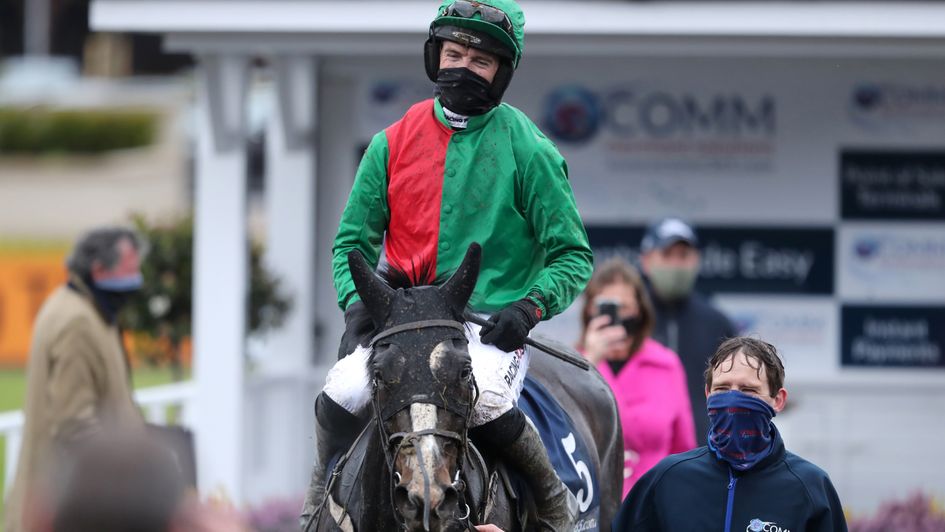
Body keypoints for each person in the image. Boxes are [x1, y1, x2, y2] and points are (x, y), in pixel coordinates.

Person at [300, 1, 594, 529]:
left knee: (485, 398)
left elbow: (572, 254)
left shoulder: (532, 152)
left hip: (486, 328)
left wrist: (528, 308)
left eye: (480, 61)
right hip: (403, 318)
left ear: (502, 72)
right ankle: (317, 499)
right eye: (454, 53)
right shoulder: (390, 144)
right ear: (435, 56)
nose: (463, 68)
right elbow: (352, 243)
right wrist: (354, 305)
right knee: (341, 389)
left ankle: (553, 502)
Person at [612, 337, 848, 532]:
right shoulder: (667, 479)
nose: (733, 399)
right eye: (723, 388)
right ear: (707, 394)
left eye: (748, 390)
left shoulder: (811, 487)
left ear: (778, 400)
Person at [4, 227, 148, 532]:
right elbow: (75, 426)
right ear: (99, 270)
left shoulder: (90, 310)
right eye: (131, 269)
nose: (138, 278)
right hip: (70, 505)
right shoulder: (77, 322)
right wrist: (139, 475)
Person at [578, 258, 695, 498]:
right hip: (590, 504)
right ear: (590, 310)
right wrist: (591, 360)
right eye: (607, 306)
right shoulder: (571, 364)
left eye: (625, 307)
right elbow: (561, 436)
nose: (617, 316)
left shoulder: (666, 364)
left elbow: (684, 449)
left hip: (653, 503)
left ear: (640, 310)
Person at [639, 216, 737, 444]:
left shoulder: (717, 323)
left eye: (683, 256)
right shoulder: (631, 319)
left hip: (707, 454)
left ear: (696, 260)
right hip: (642, 456)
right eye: (667, 255)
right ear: (646, 260)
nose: (675, 264)